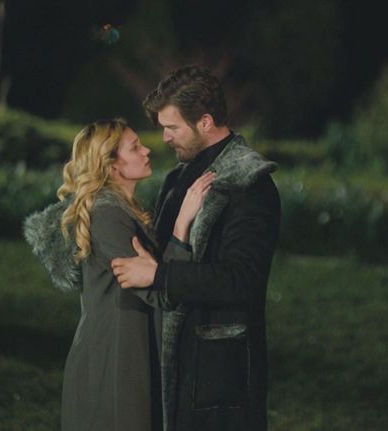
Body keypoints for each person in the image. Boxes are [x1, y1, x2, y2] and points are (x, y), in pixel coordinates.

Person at [111, 65, 281, 431]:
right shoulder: (178, 178)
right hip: (171, 356)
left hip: (218, 368)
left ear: (205, 122)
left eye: (173, 127)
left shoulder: (250, 185)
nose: (165, 138)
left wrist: (161, 275)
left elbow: (242, 279)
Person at [23, 118, 214, 431]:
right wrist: (182, 225)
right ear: (112, 166)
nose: (147, 150)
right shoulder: (107, 216)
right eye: (135, 147)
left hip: (126, 355)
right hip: (113, 365)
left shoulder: (123, 211)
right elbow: (159, 290)